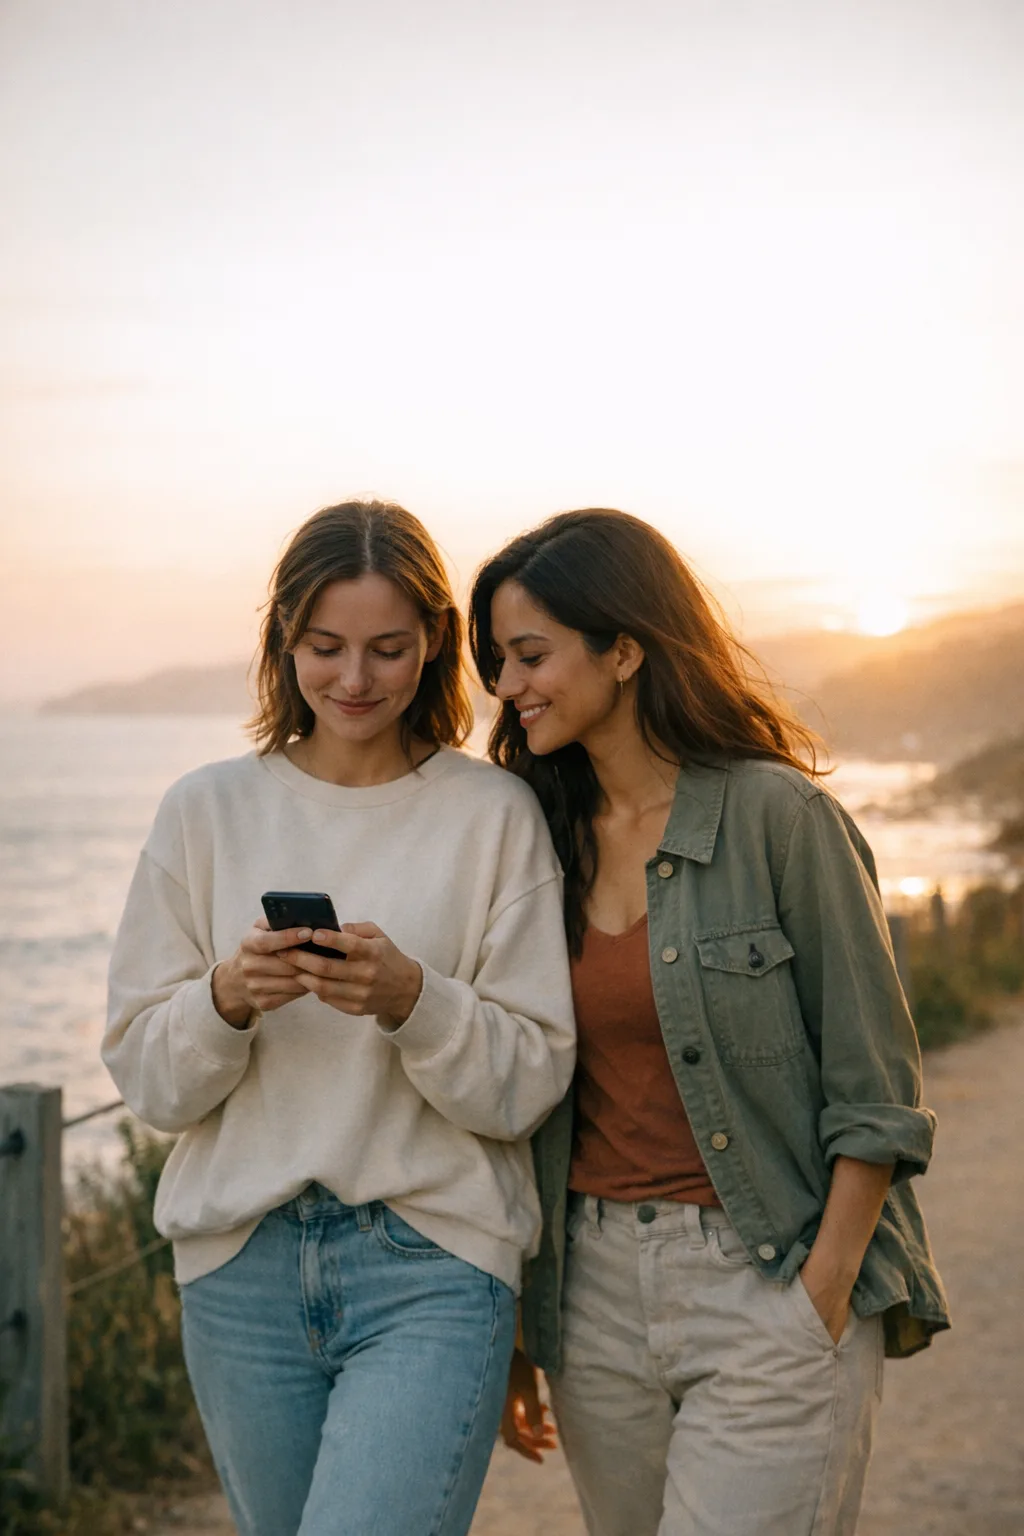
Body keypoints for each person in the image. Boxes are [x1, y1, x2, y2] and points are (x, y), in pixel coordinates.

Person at [469, 508, 950, 1536]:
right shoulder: (530, 837)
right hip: (589, 1294)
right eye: (498, 663)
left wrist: (817, 1300)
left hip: (765, 1274)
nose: (506, 689)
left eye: (530, 655)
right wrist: (522, 1321)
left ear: (627, 649)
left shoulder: (780, 819)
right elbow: (508, 1086)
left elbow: (875, 1091)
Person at [103, 500, 575, 1536]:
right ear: (283, 640)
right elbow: (147, 1080)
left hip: (433, 1263)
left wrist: (414, 1001)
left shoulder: (493, 815)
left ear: (436, 646)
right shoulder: (204, 809)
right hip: (240, 1268)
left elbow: (530, 1081)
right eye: (325, 647)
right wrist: (225, 1002)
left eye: (388, 649)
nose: (354, 680)